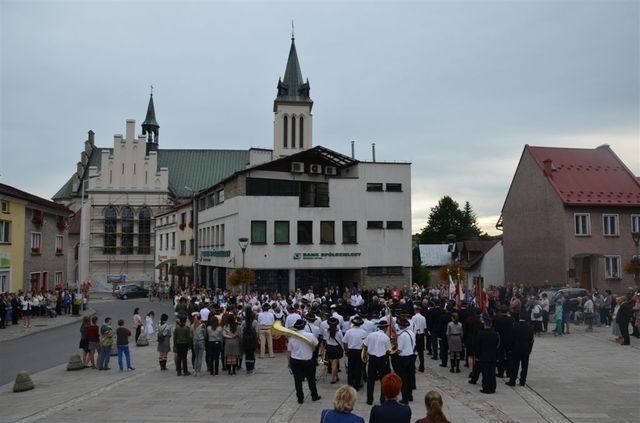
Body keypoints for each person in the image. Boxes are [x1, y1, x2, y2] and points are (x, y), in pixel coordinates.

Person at [287, 318, 321, 404]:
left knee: (297, 381)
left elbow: (289, 351)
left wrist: (289, 363)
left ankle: (300, 398)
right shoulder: (310, 335)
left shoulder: (292, 337)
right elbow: (316, 344)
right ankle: (314, 396)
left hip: (295, 361)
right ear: (304, 326)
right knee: (311, 379)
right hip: (308, 360)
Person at [362, 320, 391, 405]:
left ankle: (369, 399)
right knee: (383, 380)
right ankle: (382, 399)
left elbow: (364, 345)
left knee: (371, 380)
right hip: (382, 359)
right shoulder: (386, 337)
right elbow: (388, 350)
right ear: (385, 328)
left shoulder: (371, 335)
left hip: (372, 358)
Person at [473, 314, 499, 394]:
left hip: (483, 356)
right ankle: (493, 387)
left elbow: (478, 346)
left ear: (484, 324)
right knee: (492, 372)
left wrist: (477, 356)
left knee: (485, 373)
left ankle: (486, 388)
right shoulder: (495, 334)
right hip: (493, 355)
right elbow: (497, 345)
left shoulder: (481, 334)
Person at [506, 313, 534, 387]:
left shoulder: (515, 326)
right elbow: (531, 340)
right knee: (525, 366)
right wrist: (529, 349)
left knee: (515, 366)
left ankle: (512, 381)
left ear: (519, 317)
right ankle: (522, 381)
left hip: (516, 349)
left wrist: (510, 348)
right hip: (526, 349)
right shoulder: (530, 327)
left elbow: (511, 339)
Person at [342, 316, 367, 390]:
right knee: (358, 369)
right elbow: (365, 343)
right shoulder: (363, 332)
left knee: (350, 368)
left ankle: (350, 384)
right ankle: (357, 385)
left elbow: (345, 342)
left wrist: (346, 351)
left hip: (351, 351)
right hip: (360, 351)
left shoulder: (349, 331)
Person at [396, 317, 416, 404]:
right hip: (411, 356)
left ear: (401, 326)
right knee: (409, 377)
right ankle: (410, 395)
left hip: (403, 358)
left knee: (403, 379)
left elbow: (399, 349)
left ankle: (405, 398)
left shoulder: (402, 335)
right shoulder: (411, 332)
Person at [325, 317, 344, 384]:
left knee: (332, 363)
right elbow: (342, 341)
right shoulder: (339, 332)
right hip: (336, 348)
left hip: (329, 348)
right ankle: (333, 378)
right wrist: (343, 348)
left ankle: (337, 376)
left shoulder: (326, 331)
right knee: (334, 364)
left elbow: (325, 339)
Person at [241, 306, 259, 374]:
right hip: (252, 340)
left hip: (246, 340)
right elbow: (256, 332)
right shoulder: (255, 322)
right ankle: (251, 367)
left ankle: (248, 367)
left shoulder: (243, 322)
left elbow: (242, 332)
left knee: (247, 355)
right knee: (252, 354)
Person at [411, 305, 427, 372]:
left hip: (416, 335)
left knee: (414, 351)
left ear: (416, 310)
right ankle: (422, 366)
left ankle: (413, 366)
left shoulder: (413, 317)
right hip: (422, 335)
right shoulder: (423, 317)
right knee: (421, 352)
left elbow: (412, 326)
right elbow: (425, 327)